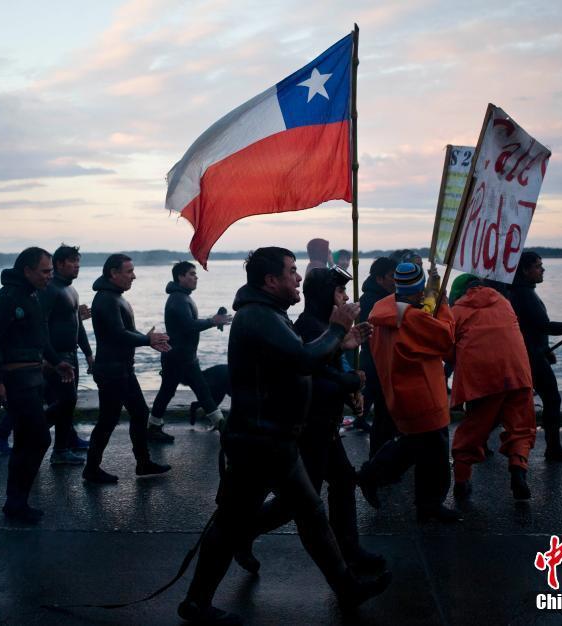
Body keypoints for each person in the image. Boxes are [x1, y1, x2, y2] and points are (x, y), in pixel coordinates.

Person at [178, 247, 389, 625]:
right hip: (258, 442)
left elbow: (297, 360)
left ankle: (346, 588)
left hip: (275, 441)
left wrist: (338, 345)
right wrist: (338, 330)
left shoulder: (271, 314)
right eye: (291, 271)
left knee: (309, 513)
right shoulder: (258, 316)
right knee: (234, 523)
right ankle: (196, 602)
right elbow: (303, 360)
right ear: (270, 281)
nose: (298, 278)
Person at [233, 266, 384, 577]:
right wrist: (349, 383)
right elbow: (312, 378)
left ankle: (350, 549)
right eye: (340, 292)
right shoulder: (308, 327)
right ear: (324, 295)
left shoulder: (325, 326)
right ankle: (242, 532)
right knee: (300, 502)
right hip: (309, 427)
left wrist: (347, 365)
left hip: (327, 425)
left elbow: (333, 366)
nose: (345, 298)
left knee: (342, 481)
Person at [357, 263, 461, 522]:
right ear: (416, 291)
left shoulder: (382, 309)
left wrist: (428, 300)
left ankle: (375, 476)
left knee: (414, 445)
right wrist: (443, 303)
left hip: (398, 390)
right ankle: (427, 504)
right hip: (423, 393)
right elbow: (447, 337)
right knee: (433, 452)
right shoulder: (413, 318)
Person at [0, 247, 75, 523]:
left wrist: (56, 360)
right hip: (16, 379)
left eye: (50, 271)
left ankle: (16, 503)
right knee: (38, 438)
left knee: (26, 440)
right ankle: (16, 501)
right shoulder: (8, 297)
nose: (49, 276)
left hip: (35, 375)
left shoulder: (33, 295)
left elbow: (41, 336)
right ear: (27, 271)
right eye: (45, 271)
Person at [83, 254, 172, 483]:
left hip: (121, 369)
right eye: (129, 271)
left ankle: (141, 463)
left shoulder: (116, 297)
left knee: (131, 415)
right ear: (113, 273)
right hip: (112, 371)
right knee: (110, 420)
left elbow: (126, 332)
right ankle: (95, 468)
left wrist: (147, 339)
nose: (134, 276)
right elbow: (117, 335)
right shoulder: (106, 299)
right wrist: (147, 339)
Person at [449, 281, 536, 501]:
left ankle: (461, 481)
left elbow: (446, 348)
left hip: (482, 377)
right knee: (521, 427)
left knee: (473, 429)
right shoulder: (504, 302)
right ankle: (518, 471)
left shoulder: (457, 310)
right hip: (517, 372)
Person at [508, 252, 562, 462]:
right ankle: (553, 449)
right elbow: (545, 327)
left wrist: (546, 350)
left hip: (534, 354)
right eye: (538, 266)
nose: (542, 269)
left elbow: (532, 329)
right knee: (552, 399)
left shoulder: (523, 291)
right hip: (530, 358)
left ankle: (481, 443)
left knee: (510, 402)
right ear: (525, 270)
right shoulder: (523, 294)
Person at [148, 261, 231, 442]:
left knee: (198, 392)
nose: (195, 277)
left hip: (184, 356)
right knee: (174, 392)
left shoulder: (183, 297)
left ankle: (153, 426)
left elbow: (188, 323)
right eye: (191, 274)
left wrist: (213, 321)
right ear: (180, 277)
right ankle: (222, 426)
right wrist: (212, 321)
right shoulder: (178, 299)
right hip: (177, 357)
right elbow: (188, 326)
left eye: (195, 274)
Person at [38, 244, 94, 465]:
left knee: (69, 402)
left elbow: (77, 326)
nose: (77, 266)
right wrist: (49, 358)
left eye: (78, 261)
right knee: (65, 401)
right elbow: (40, 326)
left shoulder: (71, 290)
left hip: (71, 355)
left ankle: (64, 445)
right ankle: (44, 439)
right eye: (72, 261)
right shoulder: (50, 289)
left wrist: (88, 354)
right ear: (59, 264)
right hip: (57, 357)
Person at [358, 256, 397, 451]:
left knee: (385, 414)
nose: (395, 280)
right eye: (392, 276)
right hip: (375, 361)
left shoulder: (387, 297)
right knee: (383, 416)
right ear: (379, 279)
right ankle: (378, 463)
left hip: (382, 361)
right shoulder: (371, 300)